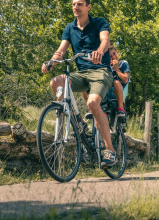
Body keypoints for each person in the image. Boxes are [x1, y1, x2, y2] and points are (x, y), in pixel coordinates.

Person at [41, 0, 117, 167]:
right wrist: (52, 61)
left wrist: (99, 51)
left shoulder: (99, 22)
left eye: (80, 4)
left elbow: (105, 40)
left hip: (100, 72)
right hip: (81, 74)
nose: (76, 7)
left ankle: (110, 151)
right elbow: (61, 51)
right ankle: (79, 123)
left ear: (88, 7)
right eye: (74, 4)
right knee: (56, 82)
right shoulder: (70, 28)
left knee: (92, 103)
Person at [109, 44, 130, 116]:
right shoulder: (106, 67)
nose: (113, 57)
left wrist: (116, 69)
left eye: (114, 54)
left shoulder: (123, 63)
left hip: (120, 91)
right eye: (110, 56)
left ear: (117, 52)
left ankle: (121, 108)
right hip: (108, 91)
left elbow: (125, 80)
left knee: (116, 82)